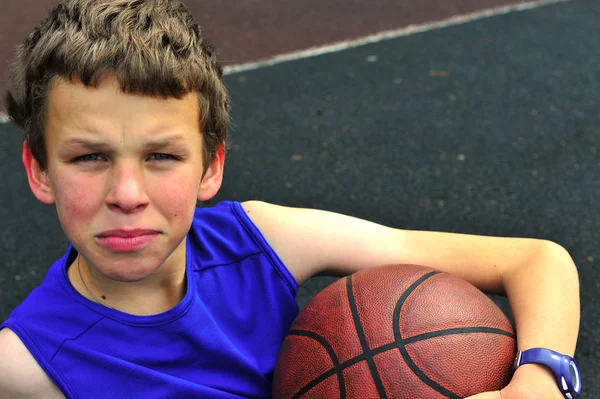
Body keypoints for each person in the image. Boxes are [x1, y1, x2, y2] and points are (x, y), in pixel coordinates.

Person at [0, 1, 580, 398]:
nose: (127, 195)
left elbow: (536, 261)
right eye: (89, 157)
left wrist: (540, 378)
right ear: (40, 170)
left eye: (162, 157)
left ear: (212, 167)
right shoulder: (24, 365)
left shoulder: (260, 242)